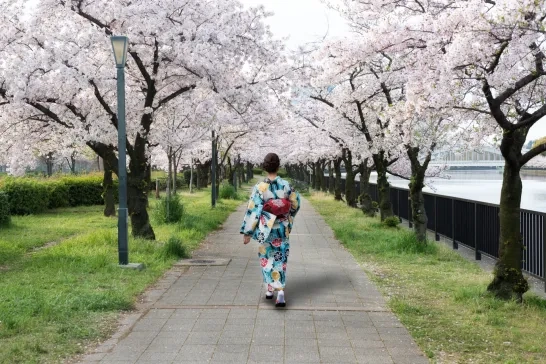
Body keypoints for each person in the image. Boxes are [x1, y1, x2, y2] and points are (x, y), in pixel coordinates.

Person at [240, 153, 301, 307]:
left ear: (265, 167)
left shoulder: (260, 188)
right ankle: (279, 291)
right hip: (281, 228)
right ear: (278, 166)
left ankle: (270, 289)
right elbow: (295, 204)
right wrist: (287, 217)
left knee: (266, 258)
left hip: (265, 228)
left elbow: (253, 210)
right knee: (280, 258)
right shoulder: (286, 185)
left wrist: (248, 232)